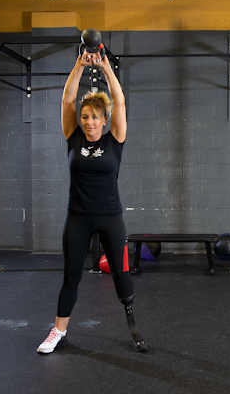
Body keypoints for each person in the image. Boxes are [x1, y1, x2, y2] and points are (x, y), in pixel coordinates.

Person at [37, 49, 148, 354]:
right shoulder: (73, 137)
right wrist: (79, 64)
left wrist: (106, 67)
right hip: (78, 217)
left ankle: (132, 324)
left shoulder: (115, 140)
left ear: (104, 119)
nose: (88, 122)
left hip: (110, 217)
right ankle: (59, 332)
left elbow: (120, 100)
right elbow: (66, 100)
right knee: (71, 275)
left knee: (121, 272)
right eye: (85, 117)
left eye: (94, 117)